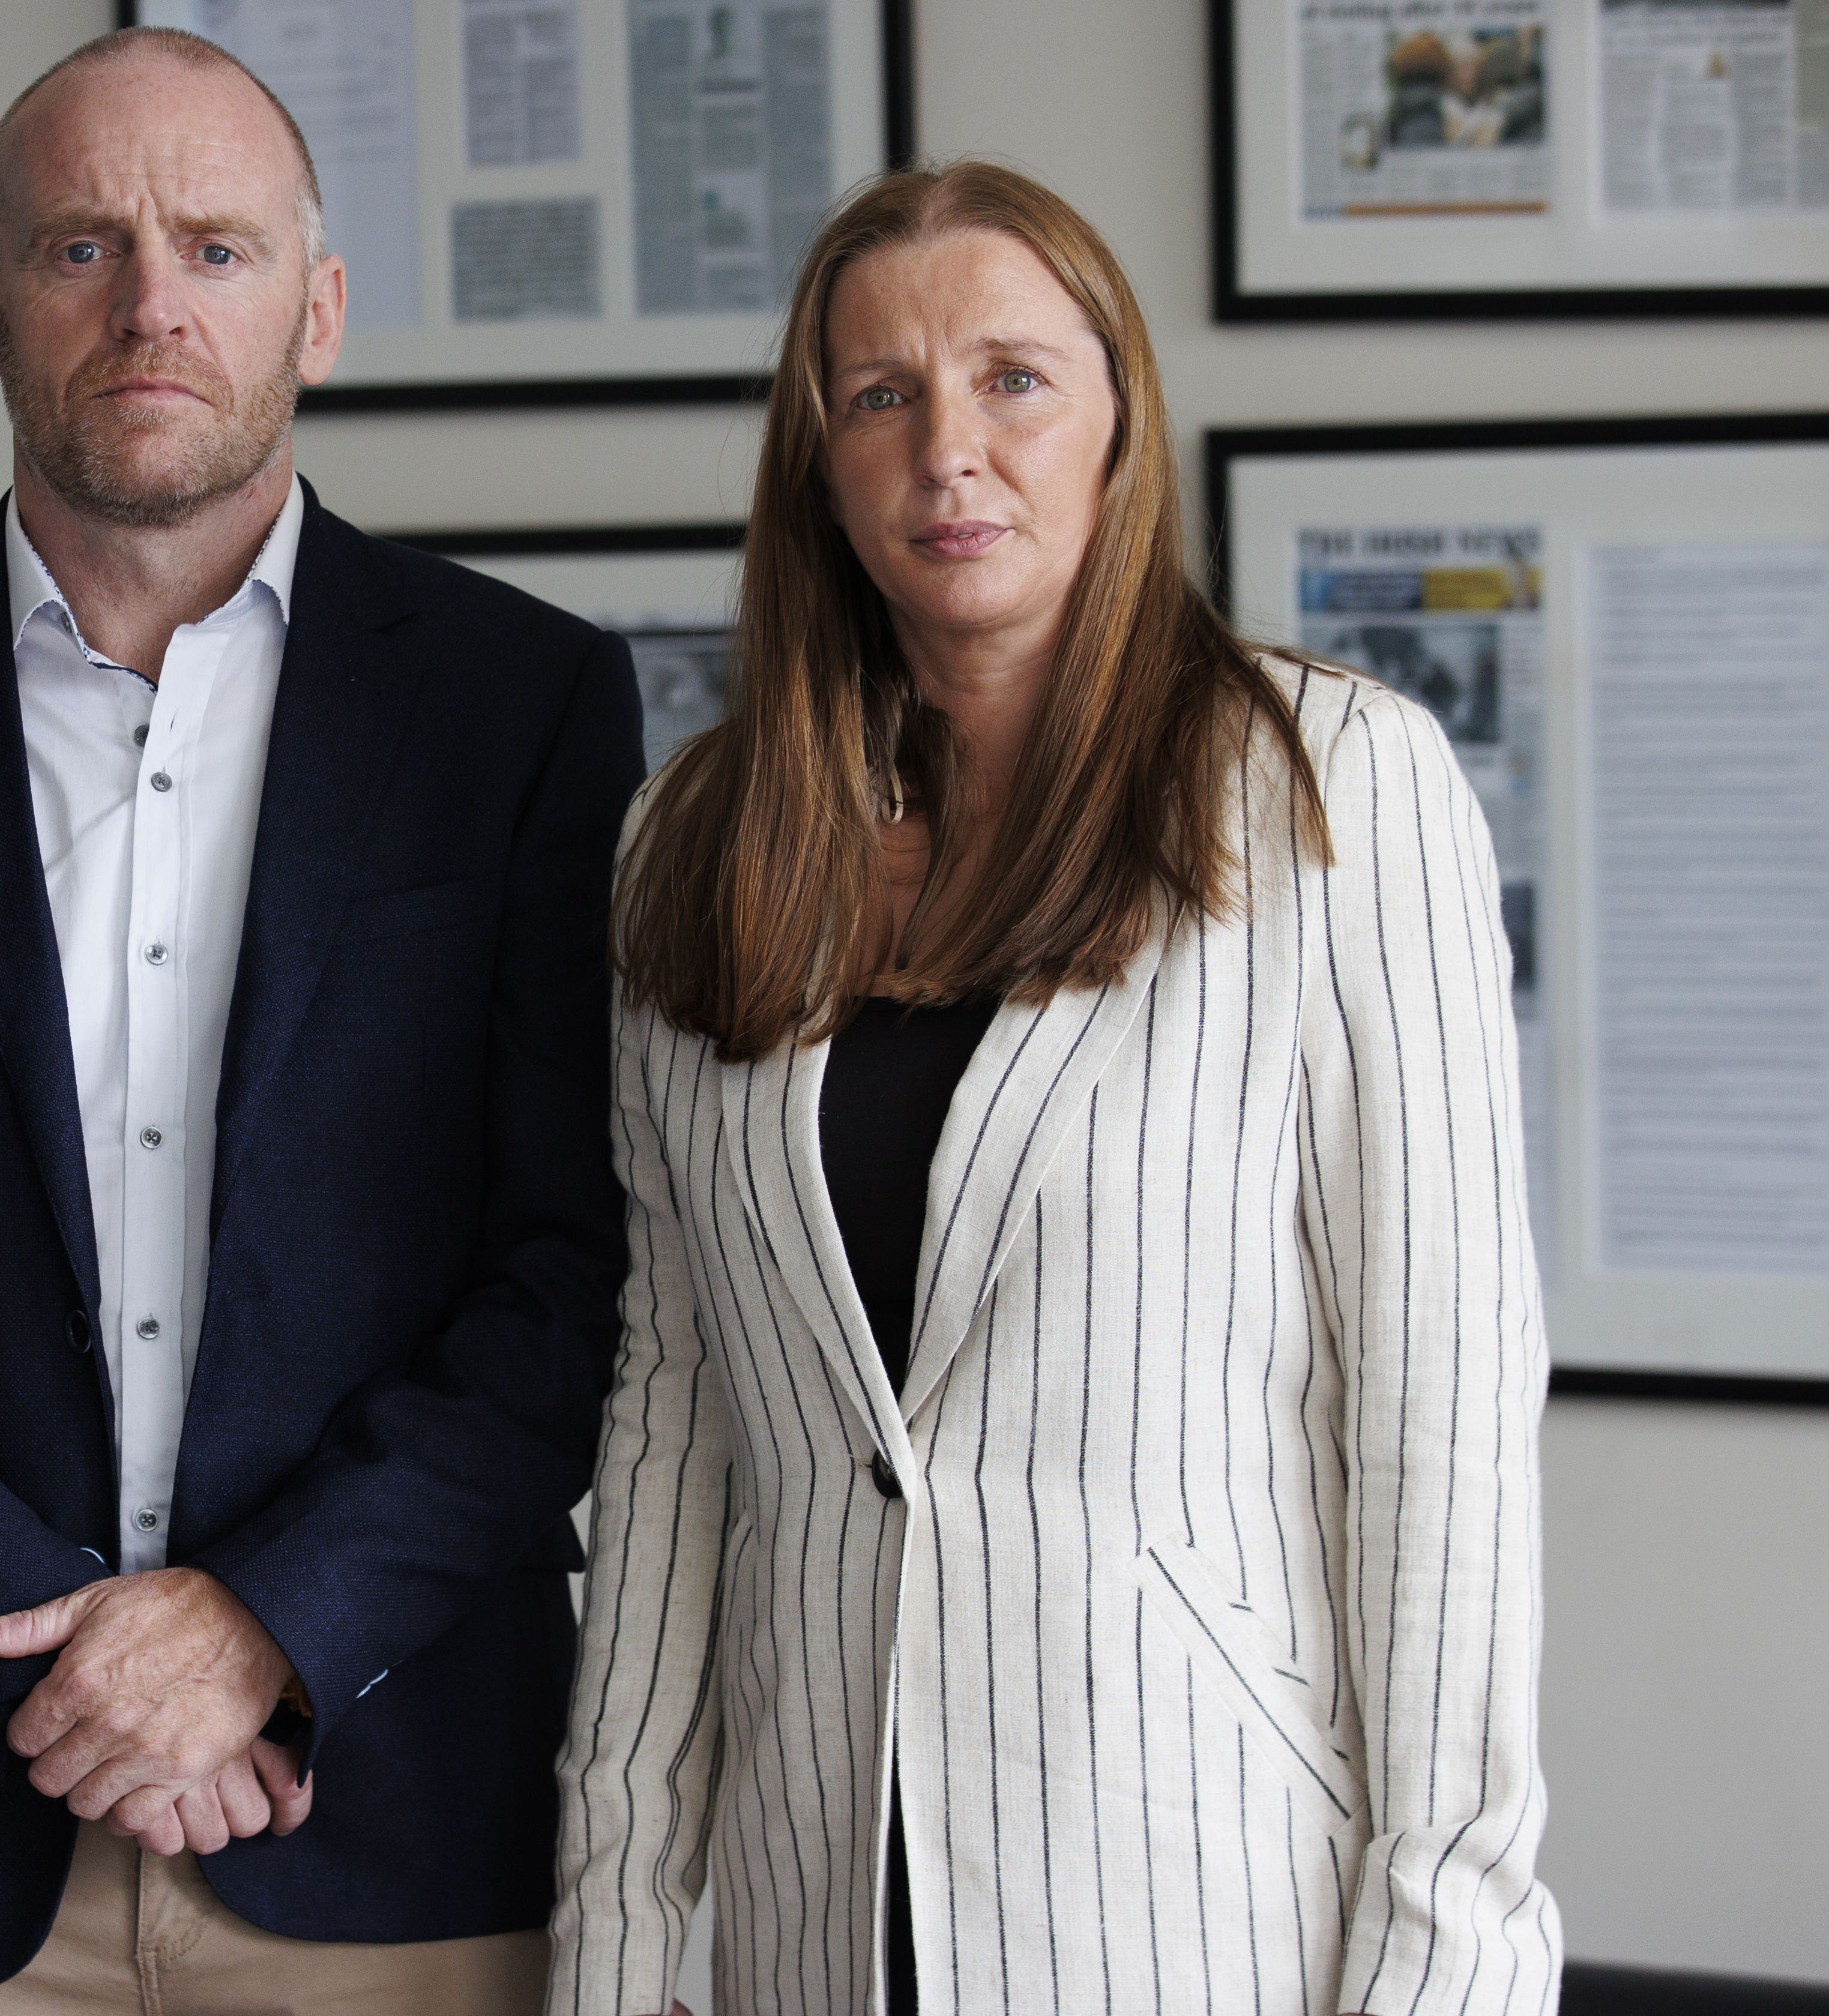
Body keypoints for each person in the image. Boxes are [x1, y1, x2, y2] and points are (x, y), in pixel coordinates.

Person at [0, 26, 645, 2012]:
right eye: (78, 247)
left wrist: (263, 1624)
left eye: (214, 246)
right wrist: (54, 1655)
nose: (149, 302)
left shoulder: (518, 713)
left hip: (390, 1836)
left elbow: (573, 1259)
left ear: (319, 309)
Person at [550, 162, 1558, 2016]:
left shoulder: (1337, 790)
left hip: (1200, 1898)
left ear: (1114, 419)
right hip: (817, 1910)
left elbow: (1440, 1425)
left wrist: (1448, 1961)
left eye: (1011, 378)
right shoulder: (686, 851)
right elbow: (671, 1421)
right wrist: (610, 1939)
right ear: (818, 465)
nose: (950, 450)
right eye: (880, 396)